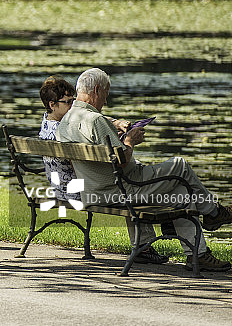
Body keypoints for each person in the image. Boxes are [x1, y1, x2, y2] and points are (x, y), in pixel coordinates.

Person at [56, 67, 232, 271]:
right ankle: (213, 212)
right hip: (121, 190)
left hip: (92, 191)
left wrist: (118, 136)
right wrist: (130, 140)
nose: (106, 100)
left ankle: (197, 255)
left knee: (182, 193)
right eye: (106, 93)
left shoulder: (67, 120)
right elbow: (122, 160)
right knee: (180, 165)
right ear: (96, 90)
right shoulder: (95, 120)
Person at [38, 75, 167, 264]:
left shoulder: (48, 124)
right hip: (78, 191)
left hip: (61, 187)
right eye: (68, 102)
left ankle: (144, 245)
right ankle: (146, 242)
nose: (73, 106)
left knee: (129, 180)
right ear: (52, 104)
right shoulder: (61, 130)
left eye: (74, 100)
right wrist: (125, 142)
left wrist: (113, 124)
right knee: (126, 181)